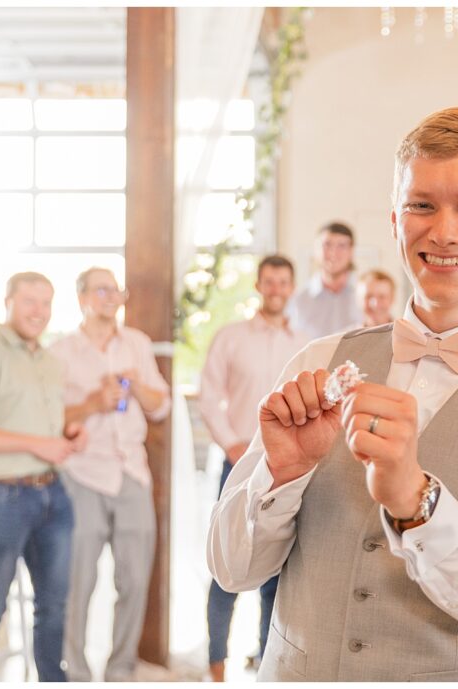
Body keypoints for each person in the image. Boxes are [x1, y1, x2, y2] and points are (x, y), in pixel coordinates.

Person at [207, 107, 458, 681]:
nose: (443, 231)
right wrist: (283, 473)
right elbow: (231, 569)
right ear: (396, 219)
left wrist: (417, 504)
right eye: (422, 205)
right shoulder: (317, 360)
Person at [0, 272, 86, 682]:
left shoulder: (48, 360)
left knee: (54, 607)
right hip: (0, 499)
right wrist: (39, 445)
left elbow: (35, 427)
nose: (39, 312)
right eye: (30, 301)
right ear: (8, 301)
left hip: (53, 495)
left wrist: (64, 435)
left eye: (46, 303)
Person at [50, 267, 170, 682]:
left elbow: (161, 405)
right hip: (81, 476)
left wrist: (136, 388)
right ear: (81, 297)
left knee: (135, 580)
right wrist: (92, 402)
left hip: (132, 474)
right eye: (101, 289)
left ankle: (120, 669)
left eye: (116, 289)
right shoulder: (60, 352)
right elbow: (46, 418)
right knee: (77, 582)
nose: (111, 296)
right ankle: (76, 674)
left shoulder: (136, 344)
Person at [199, 254, 311, 681]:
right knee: (225, 564)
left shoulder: (306, 343)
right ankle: (215, 666)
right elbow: (209, 395)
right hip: (238, 464)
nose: (276, 289)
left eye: (283, 282)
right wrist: (230, 442)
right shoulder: (231, 338)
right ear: (259, 286)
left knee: (277, 570)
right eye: (269, 282)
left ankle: (268, 664)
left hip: (288, 470)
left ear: (291, 287)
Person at [287, 222, 363, 338]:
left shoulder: (365, 297)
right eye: (327, 245)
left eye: (341, 246)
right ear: (315, 250)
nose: (333, 253)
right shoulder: (298, 301)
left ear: (351, 252)